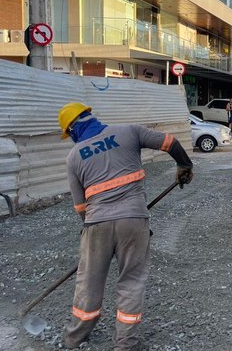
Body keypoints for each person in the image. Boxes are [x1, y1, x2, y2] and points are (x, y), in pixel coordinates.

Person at [58, 102, 194, 350]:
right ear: (91, 117)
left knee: (88, 281)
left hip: (96, 223)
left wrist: (90, 235)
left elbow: (80, 207)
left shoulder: (74, 156)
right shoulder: (128, 131)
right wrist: (184, 165)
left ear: (73, 130)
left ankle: (74, 338)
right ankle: (126, 344)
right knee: (131, 281)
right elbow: (170, 142)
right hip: (134, 220)